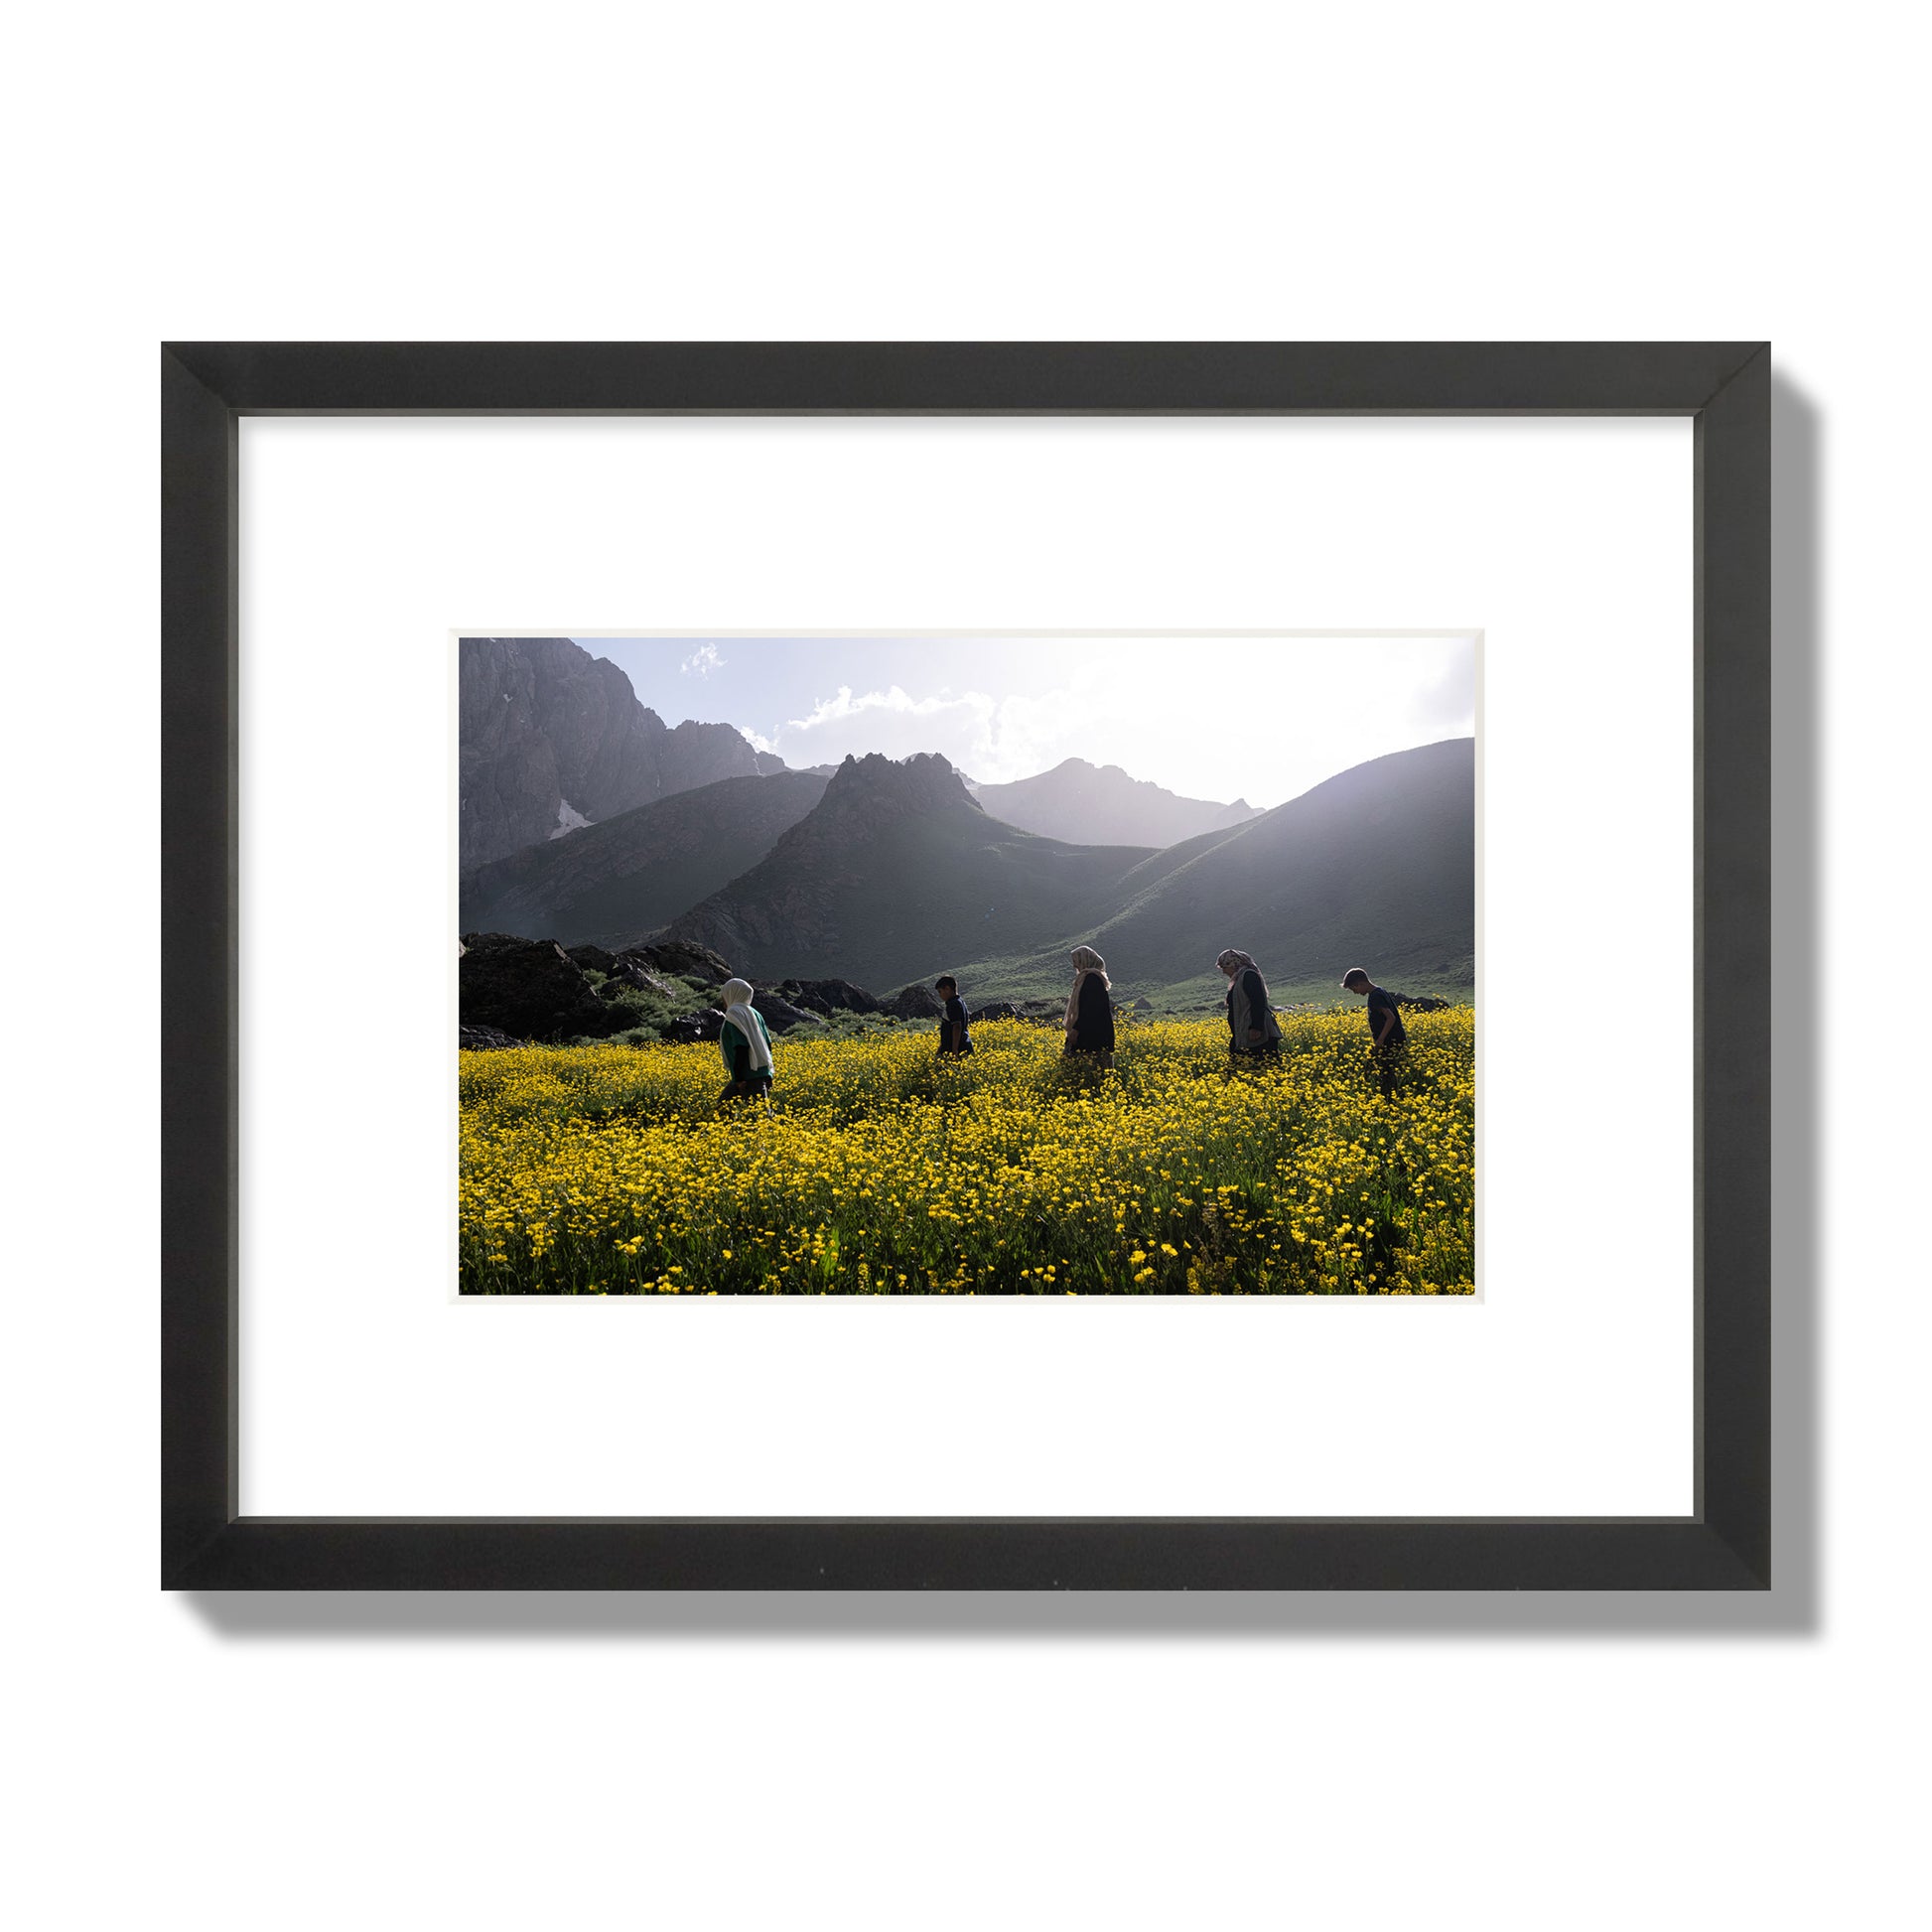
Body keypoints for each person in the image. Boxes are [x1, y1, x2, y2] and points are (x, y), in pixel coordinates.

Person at [1341, 966, 1407, 1098]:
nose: (1355, 992)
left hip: (1390, 1041)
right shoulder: (1379, 991)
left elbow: (1390, 1017)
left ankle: (1389, 1099)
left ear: (1360, 983)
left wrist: (1381, 1039)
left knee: (1386, 1071)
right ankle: (1389, 1096)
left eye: (1354, 988)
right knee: (1384, 1070)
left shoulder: (1376, 996)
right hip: (1391, 1040)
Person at [716, 977, 775, 1107]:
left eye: (724, 995)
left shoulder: (734, 1013)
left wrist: (739, 1078)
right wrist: (769, 1072)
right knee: (724, 1106)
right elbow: (767, 1043)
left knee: (761, 1116)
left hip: (747, 1075)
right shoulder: (754, 1013)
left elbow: (741, 1046)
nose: (723, 1000)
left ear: (732, 993)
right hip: (761, 1072)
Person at [1217, 948, 1283, 1059]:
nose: (1223, 972)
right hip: (1245, 1032)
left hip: (1256, 1035)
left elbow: (1257, 1002)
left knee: (1260, 1066)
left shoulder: (1249, 976)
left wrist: (1256, 1028)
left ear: (1233, 964)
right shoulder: (1240, 978)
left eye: (1224, 967)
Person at [1063, 945, 1116, 1065]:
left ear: (1084, 961)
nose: (1074, 966)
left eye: (1076, 961)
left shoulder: (1092, 980)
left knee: (1086, 1072)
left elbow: (1090, 1009)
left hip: (1092, 1037)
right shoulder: (1088, 979)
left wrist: (1076, 1030)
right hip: (1091, 1035)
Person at [934, 975, 973, 1056]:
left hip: (957, 1049)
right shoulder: (960, 1001)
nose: (940, 995)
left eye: (940, 991)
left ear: (947, 989)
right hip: (963, 1045)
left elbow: (957, 1026)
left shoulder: (953, 1004)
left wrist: (954, 1049)